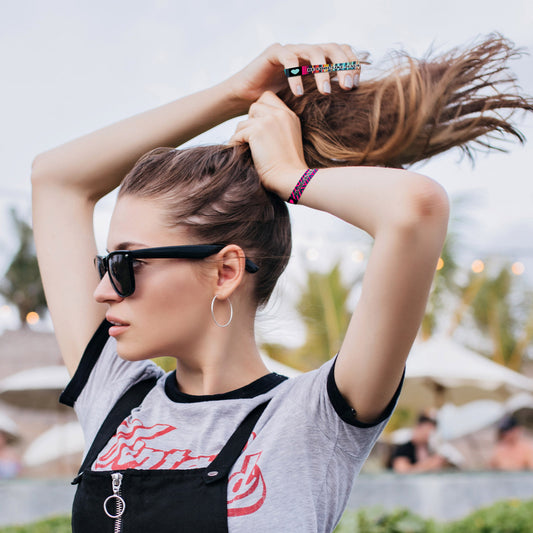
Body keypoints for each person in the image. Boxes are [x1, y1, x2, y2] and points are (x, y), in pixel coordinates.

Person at [31, 36, 531, 532]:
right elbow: (55, 179)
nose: (102, 291)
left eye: (126, 265)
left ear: (226, 272)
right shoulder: (115, 396)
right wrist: (234, 93)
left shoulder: (311, 420)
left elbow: (415, 210)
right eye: (104, 265)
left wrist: (289, 175)